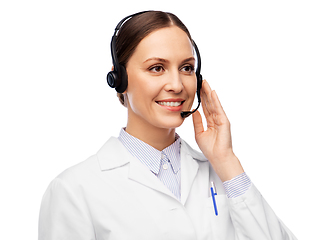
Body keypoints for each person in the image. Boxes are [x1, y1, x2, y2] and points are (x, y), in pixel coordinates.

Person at [38, 10, 297, 240]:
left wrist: (227, 161)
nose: (176, 84)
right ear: (120, 79)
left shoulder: (222, 173)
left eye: (186, 67)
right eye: (157, 68)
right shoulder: (74, 190)